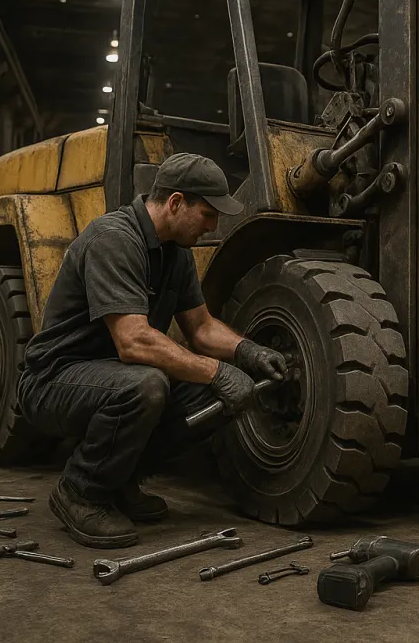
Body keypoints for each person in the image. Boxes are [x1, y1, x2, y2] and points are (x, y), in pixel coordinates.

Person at [17, 153, 286, 549]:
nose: (213, 226)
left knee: (209, 395)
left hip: (110, 377)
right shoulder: (114, 240)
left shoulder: (175, 254)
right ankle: (81, 490)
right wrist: (215, 370)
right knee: (147, 385)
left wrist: (247, 353)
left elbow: (202, 327)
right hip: (54, 380)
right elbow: (133, 341)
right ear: (175, 203)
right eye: (208, 214)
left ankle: (119, 479)